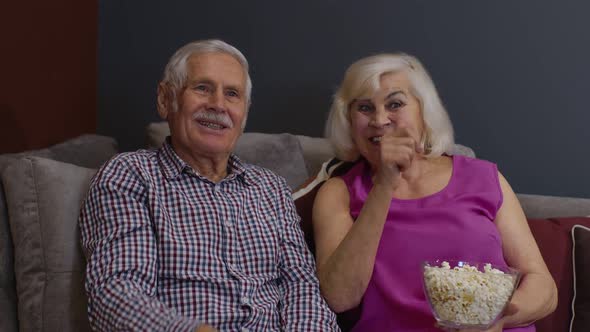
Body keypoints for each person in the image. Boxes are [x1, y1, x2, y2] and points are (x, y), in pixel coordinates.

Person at [79, 39, 339, 332]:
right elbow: (116, 296)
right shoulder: (131, 176)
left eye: (232, 94)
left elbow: (301, 286)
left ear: (245, 113)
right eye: (202, 88)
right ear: (166, 99)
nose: (218, 104)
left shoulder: (271, 188)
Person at [312, 53, 557, 331]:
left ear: (423, 111)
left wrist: (499, 319)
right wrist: (383, 185)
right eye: (365, 108)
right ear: (348, 120)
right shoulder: (338, 192)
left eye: (395, 104)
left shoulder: (484, 177)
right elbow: (339, 297)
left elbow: (542, 285)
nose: (380, 120)